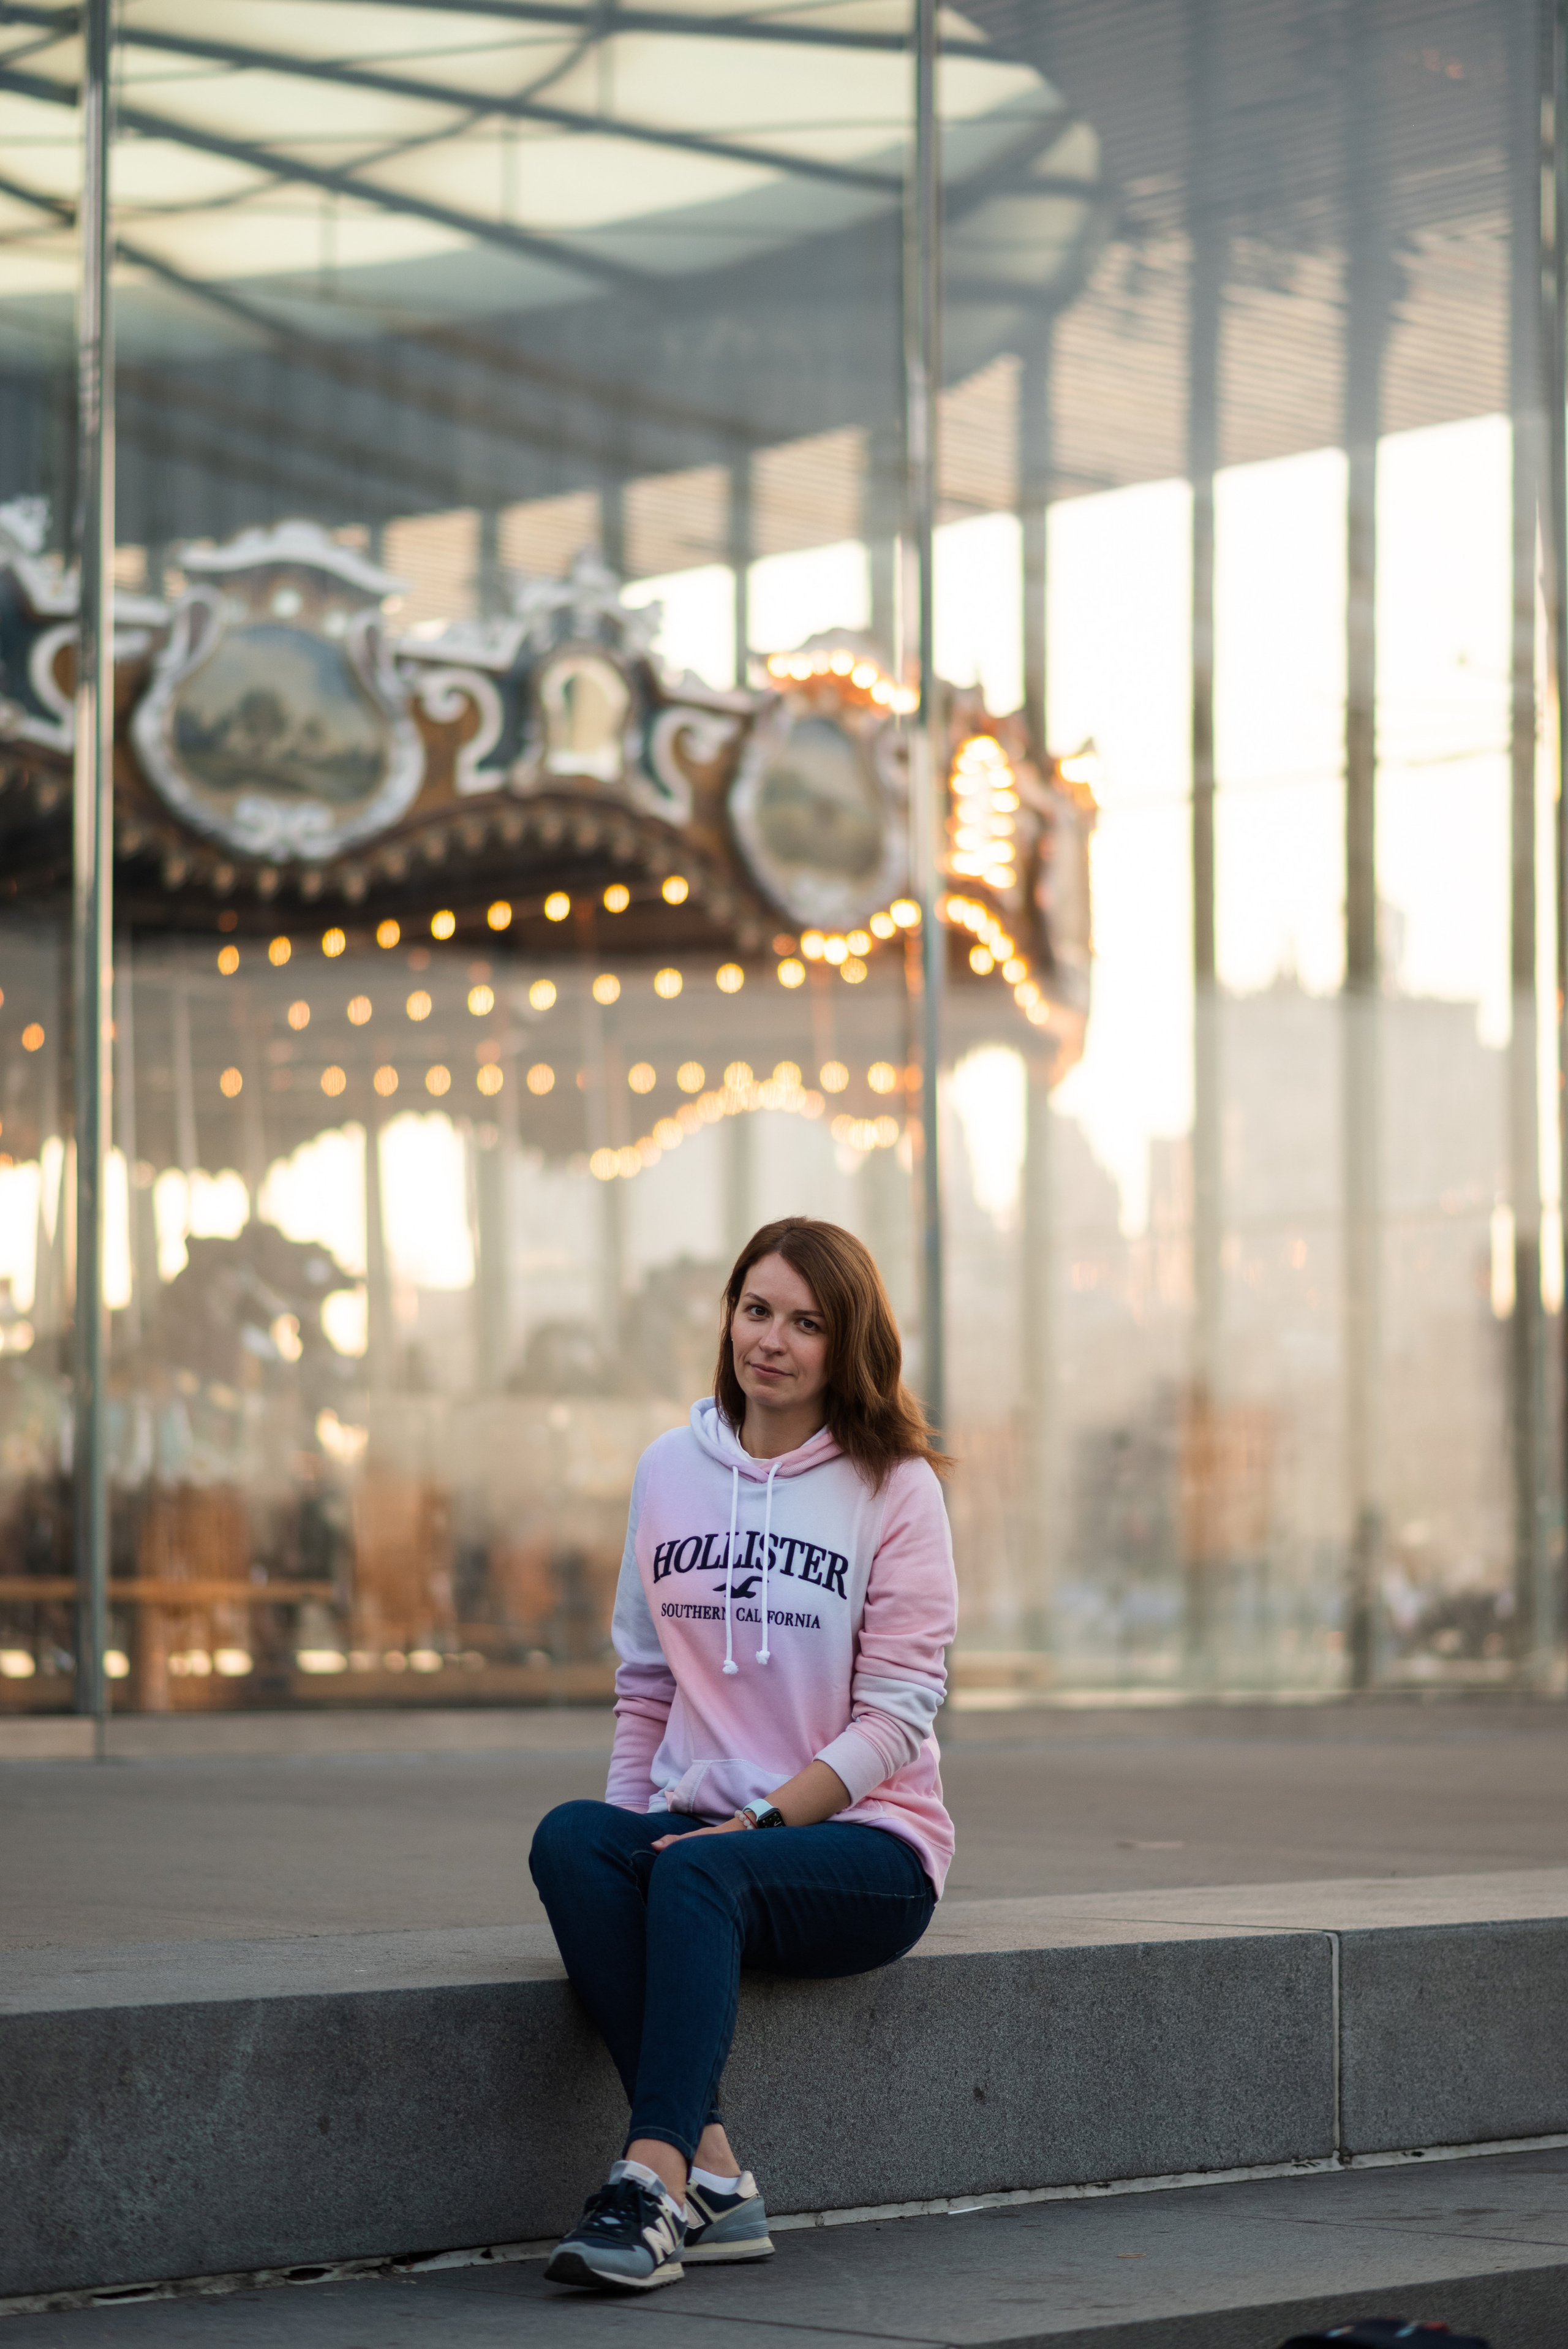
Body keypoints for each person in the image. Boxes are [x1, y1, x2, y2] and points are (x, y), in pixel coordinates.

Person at [530, 1214, 957, 2293]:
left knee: (701, 1868)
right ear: (729, 1317)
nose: (772, 1339)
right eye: (757, 1309)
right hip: (711, 1837)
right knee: (572, 1840)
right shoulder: (669, 1469)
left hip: (864, 1845)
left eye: (806, 1323)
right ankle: (713, 2175)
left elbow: (899, 1716)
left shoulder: (896, 1486)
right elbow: (647, 1684)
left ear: (846, 1343)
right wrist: (636, 1829)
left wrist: (759, 1822)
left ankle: (650, 2181)